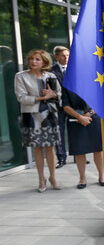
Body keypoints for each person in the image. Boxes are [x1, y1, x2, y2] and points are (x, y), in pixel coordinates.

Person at [14, 49, 62, 192]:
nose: (33, 62)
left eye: (37, 59)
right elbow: (21, 98)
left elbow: (59, 95)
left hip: (49, 115)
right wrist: (42, 98)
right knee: (38, 148)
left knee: (50, 147)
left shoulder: (50, 75)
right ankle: (41, 179)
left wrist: (53, 94)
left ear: (44, 62)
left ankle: (53, 177)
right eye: (32, 59)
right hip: (32, 115)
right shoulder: (21, 76)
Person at [61, 88, 104, 188]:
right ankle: (82, 179)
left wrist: (90, 113)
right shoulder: (68, 84)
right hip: (75, 119)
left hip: (94, 117)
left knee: (98, 149)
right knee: (79, 151)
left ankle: (102, 176)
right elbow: (65, 106)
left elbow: (100, 100)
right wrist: (80, 117)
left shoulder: (93, 80)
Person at [51, 46, 69, 168]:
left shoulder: (75, 68)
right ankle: (61, 157)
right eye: (63, 55)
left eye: (68, 55)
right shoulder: (51, 71)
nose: (66, 58)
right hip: (59, 107)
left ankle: (80, 155)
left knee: (76, 132)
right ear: (56, 56)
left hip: (74, 106)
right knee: (59, 132)